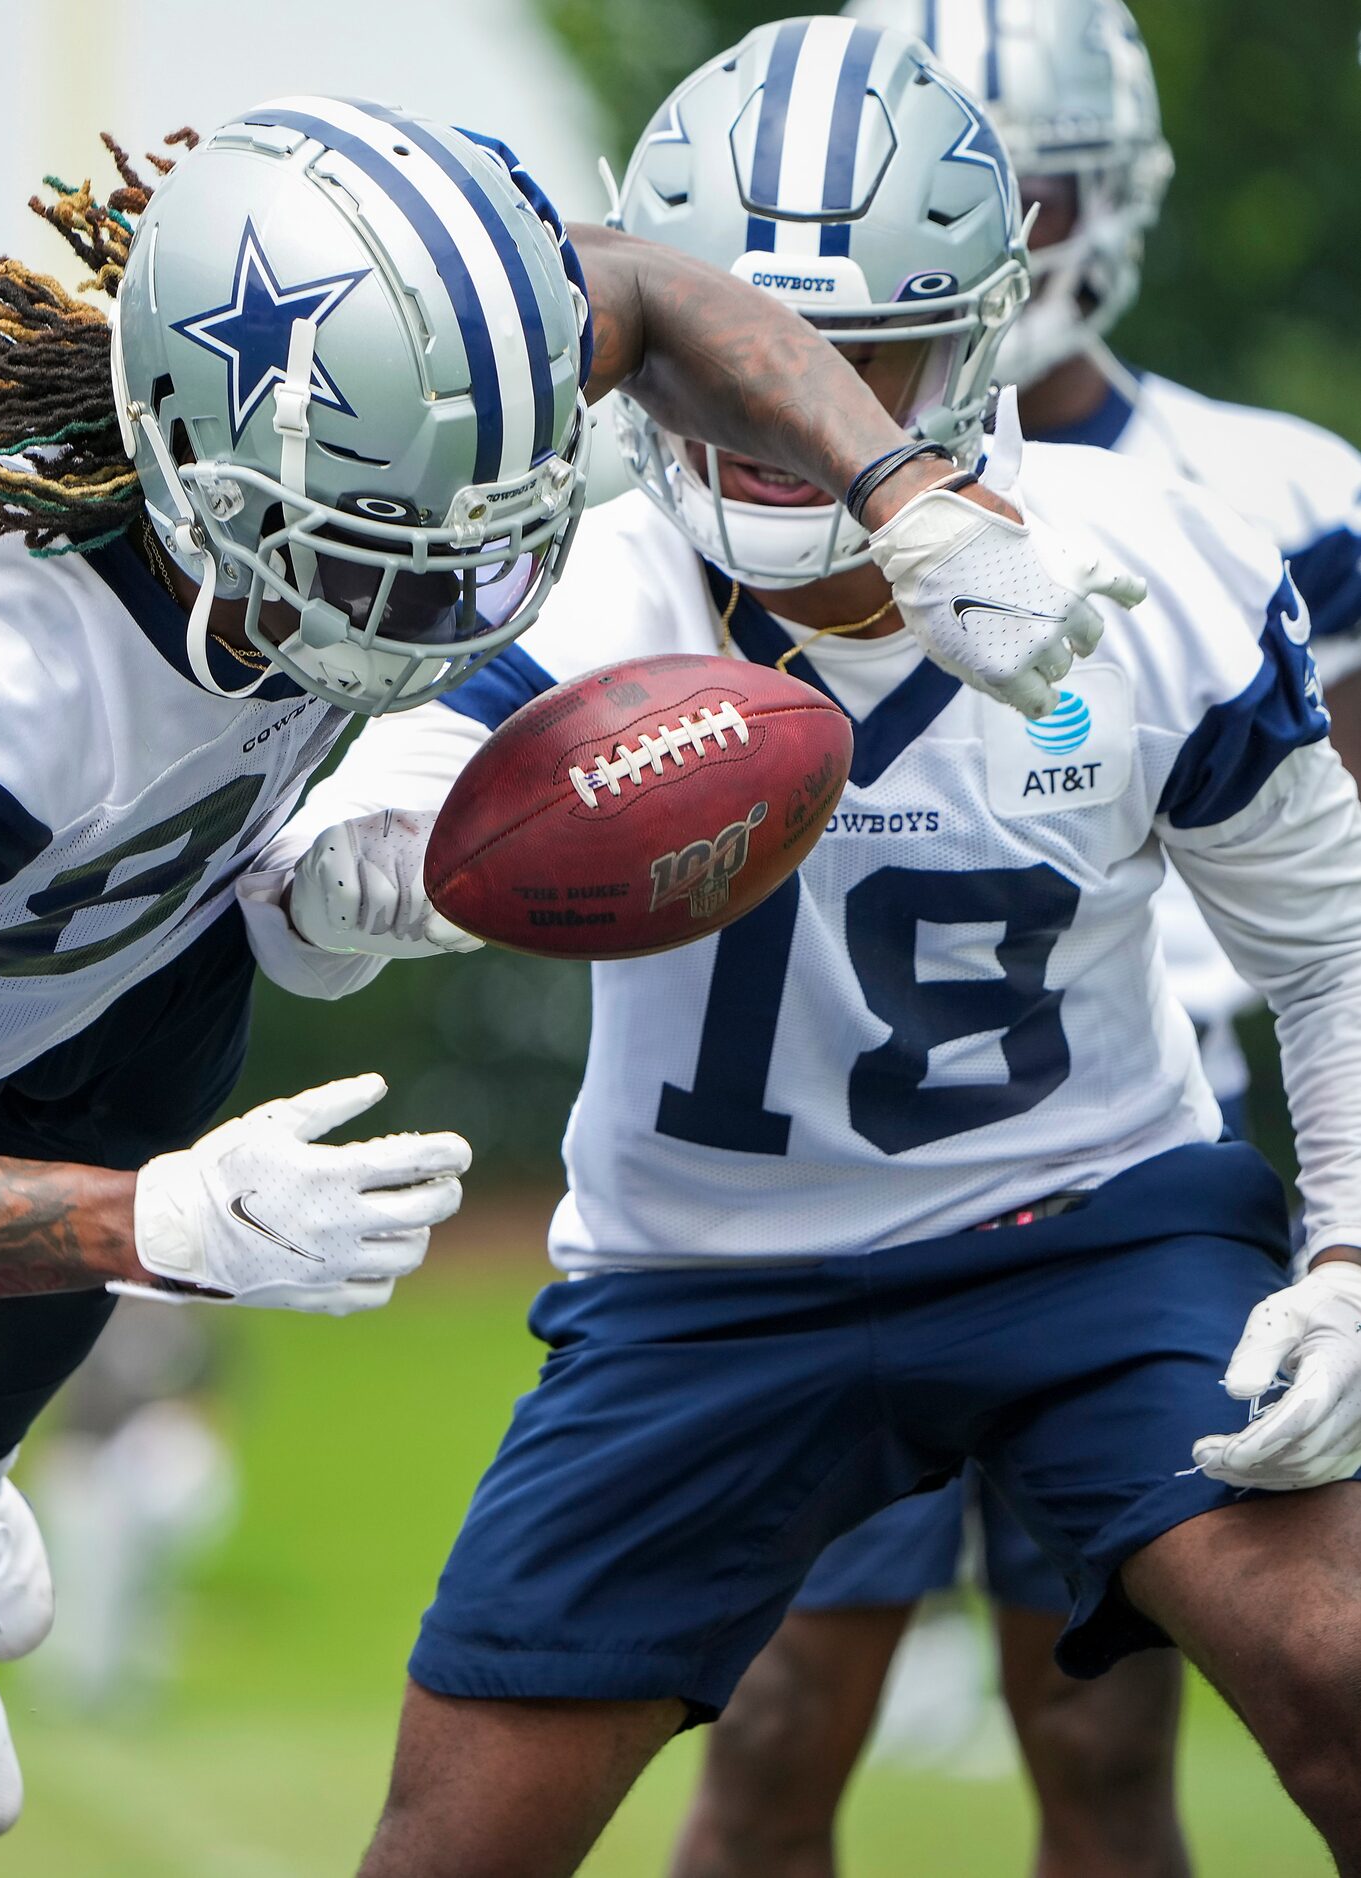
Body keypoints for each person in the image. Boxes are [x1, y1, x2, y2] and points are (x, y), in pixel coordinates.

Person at [0, 99, 1114, 1842]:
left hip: (151, 929)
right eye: (373, 540)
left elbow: (651, 290)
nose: (443, 598)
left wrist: (902, 496)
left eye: (472, 521)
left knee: (26, 1333)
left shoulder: (435, 362)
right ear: (198, 467)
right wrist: (159, 1227)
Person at [252, 25, 1361, 1877]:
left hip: (1080, 1228)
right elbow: (314, 905)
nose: (792, 416)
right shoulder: (579, 585)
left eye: (872, 357)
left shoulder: (1153, 560)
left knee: (1335, 1679)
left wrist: (1347, 1251)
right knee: (452, 1849)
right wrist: (347, 879)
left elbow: (1329, 948)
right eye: (760, 358)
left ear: (986, 337)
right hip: (704, 1280)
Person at [655, 2, 1361, 1870]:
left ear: (1100, 198)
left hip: (1125, 1143)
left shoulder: (1259, 491)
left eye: (1028, 185)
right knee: (779, 1720)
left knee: (1106, 1740)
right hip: (800, 1153)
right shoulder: (697, 497)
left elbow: (1337, 890)